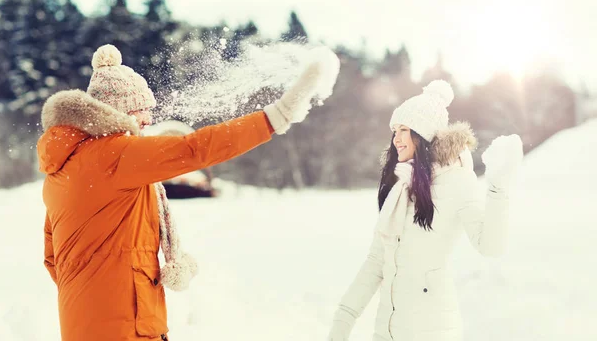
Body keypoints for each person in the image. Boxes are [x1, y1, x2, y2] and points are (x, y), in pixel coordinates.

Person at [38, 43, 339, 341]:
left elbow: (53, 259)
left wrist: (92, 290)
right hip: (122, 325)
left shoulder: (63, 170)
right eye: (141, 110)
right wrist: (278, 115)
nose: (148, 119)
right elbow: (195, 149)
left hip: (84, 322)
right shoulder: (116, 155)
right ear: (118, 113)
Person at [327, 80, 523, 341]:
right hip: (386, 331)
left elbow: (490, 246)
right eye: (394, 130)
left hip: (432, 330)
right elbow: (377, 261)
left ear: (422, 133)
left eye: (404, 129)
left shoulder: (457, 180)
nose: (396, 138)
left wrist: (498, 188)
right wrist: (344, 318)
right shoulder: (400, 185)